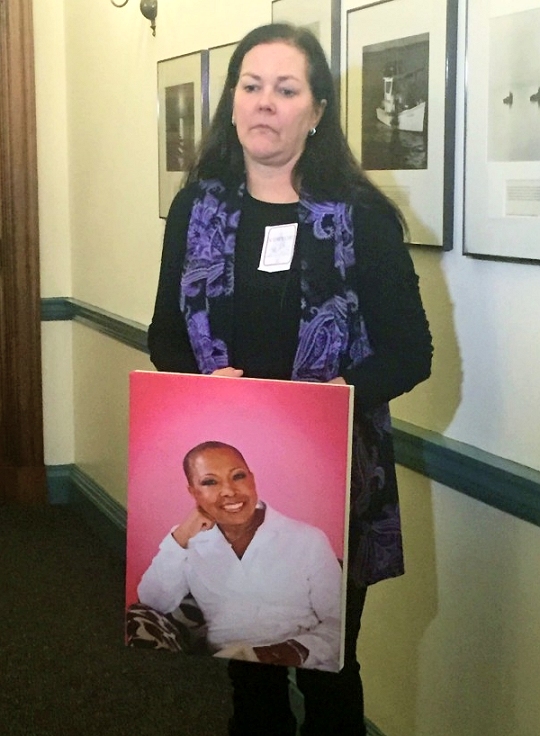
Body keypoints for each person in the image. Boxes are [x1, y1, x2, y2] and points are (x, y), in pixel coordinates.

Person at [147, 21, 433, 736]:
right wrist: (207, 383)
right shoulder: (198, 209)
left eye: (285, 88)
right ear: (232, 102)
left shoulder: (362, 218)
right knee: (249, 674)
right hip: (232, 482)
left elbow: (409, 351)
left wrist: (338, 400)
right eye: (251, 87)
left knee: (328, 669)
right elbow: (164, 334)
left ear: (318, 109)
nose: (265, 103)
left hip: (331, 476)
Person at [138, 440, 343, 671]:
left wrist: (281, 653)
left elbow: (340, 622)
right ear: (194, 493)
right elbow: (154, 602)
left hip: (306, 663)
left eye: (238, 476)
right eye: (210, 482)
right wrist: (182, 534)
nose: (229, 491)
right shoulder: (186, 541)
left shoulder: (308, 539)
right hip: (227, 666)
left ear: (252, 479)